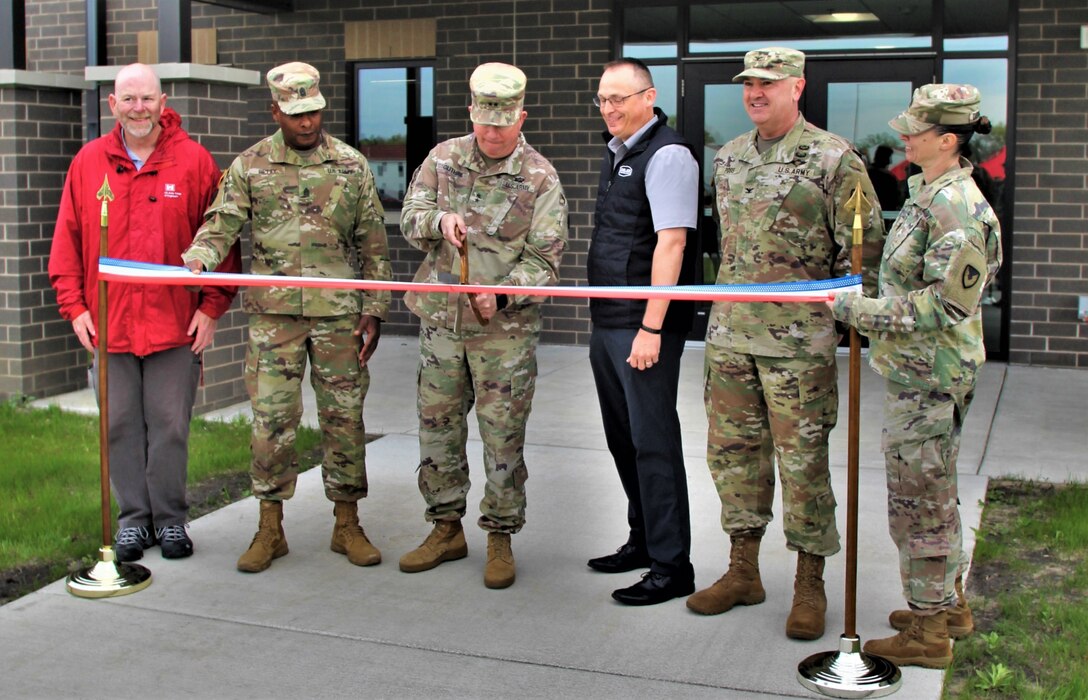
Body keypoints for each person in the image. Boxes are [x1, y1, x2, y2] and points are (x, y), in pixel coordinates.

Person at [687, 47, 884, 640]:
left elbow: (862, 248)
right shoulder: (728, 157)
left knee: (802, 466)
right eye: (749, 84)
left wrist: (855, 314)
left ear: (798, 87)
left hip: (797, 345)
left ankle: (809, 582)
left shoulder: (834, 159)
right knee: (733, 457)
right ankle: (743, 570)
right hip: (731, 337)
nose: (755, 93)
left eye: (769, 84)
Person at [183, 62, 391, 574]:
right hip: (274, 318)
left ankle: (347, 523)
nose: (306, 122)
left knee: (344, 418)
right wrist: (199, 257)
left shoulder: (350, 165)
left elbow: (373, 242)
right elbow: (221, 221)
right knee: (272, 421)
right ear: (275, 110)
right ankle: (270, 527)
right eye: (295, 114)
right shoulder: (250, 166)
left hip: (338, 316)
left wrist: (375, 308)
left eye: (313, 112)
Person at [829, 84, 1001, 668]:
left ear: (947, 140)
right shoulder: (929, 191)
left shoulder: (957, 206)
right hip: (919, 374)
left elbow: (945, 306)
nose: (902, 136)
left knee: (918, 504)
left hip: (931, 378)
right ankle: (946, 608)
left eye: (915, 130)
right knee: (936, 493)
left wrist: (860, 312)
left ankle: (928, 634)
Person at [48, 63, 241, 562]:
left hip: (173, 327)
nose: (139, 109)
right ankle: (133, 521)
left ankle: (171, 521)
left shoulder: (194, 162)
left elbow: (222, 241)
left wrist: (212, 308)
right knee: (118, 425)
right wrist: (74, 309)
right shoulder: (89, 163)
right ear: (112, 105)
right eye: (128, 99)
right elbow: (67, 242)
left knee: (170, 425)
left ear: (163, 101)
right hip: (108, 327)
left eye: (147, 99)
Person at [398, 62, 568, 590]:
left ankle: (499, 535)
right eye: (484, 121)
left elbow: (546, 259)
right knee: (439, 430)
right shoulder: (443, 158)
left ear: (523, 117)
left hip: (504, 335)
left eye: (504, 122)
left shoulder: (540, 177)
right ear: (471, 112)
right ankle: (446, 527)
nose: (492, 133)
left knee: (502, 437)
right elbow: (410, 213)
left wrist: (503, 292)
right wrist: (436, 221)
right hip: (442, 325)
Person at [585, 58, 700, 606]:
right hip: (609, 321)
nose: (610, 109)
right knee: (623, 440)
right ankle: (644, 541)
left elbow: (671, 244)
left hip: (642, 326)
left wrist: (652, 326)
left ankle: (672, 565)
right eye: (603, 100)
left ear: (649, 97)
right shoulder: (619, 153)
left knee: (653, 443)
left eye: (620, 99)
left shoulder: (668, 153)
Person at [868, 144, 903, 213]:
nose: (890, 162)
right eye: (889, 157)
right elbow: (894, 200)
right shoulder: (888, 178)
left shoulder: (865, 174)